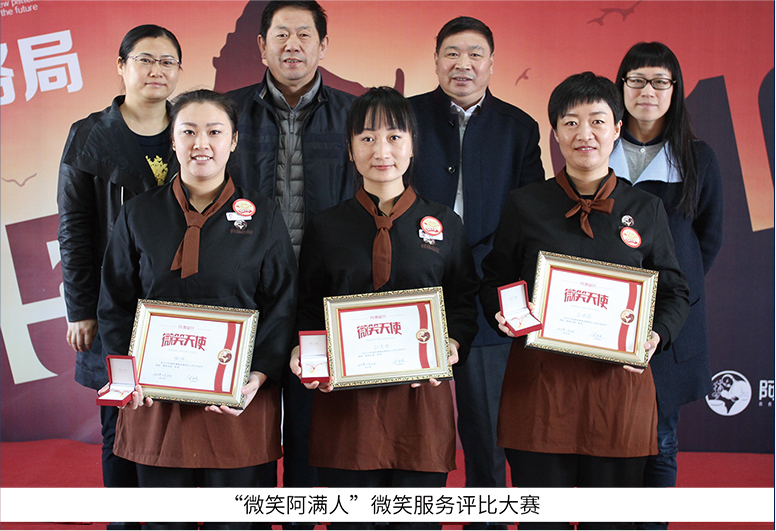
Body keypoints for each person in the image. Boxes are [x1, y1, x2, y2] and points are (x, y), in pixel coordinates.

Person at [480, 72, 690, 530]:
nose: (585, 134)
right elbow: (496, 278)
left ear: (617, 129)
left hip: (616, 395)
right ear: (555, 132)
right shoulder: (525, 204)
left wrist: (655, 336)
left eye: (597, 121)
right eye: (571, 122)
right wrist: (506, 314)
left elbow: (674, 291)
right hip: (540, 392)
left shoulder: (646, 208)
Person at [97, 89, 297, 530]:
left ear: (234, 140)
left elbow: (282, 304)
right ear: (172, 140)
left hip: (237, 403)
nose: (200, 143)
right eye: (188, 131)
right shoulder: (138, 214)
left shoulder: (263, 215)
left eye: (214, 132)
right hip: (157, 404)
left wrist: (258, 376)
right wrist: (129, 375)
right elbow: (115, 304)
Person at [290, 87, 479, 530]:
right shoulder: (326, 226)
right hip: (346, 408)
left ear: (412, 146)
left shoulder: (445, 224)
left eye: (394, 137)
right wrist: (305, 353)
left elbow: (463, 301)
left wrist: (453, 344)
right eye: (368, 138)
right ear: (350, 149)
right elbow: (308, 309)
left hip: (420, 404)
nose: (382, 151)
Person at [408, 16, 544, 502]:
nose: (462, 64)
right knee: (411, 427)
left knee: (487, 430)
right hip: (412, 289)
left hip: (488, 293)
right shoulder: (406, 118)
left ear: (491, 62)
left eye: (474, 54)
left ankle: (487, 516)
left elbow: (532, 218)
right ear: (436, 59)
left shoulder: (518, 128)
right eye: (451, 53)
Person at [225, 1, 356, 493]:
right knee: (245, 432)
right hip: (248, 298)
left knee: (312, 432)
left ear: (324, 45)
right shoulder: (227, 113)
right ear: (262, 46)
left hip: (323, 298)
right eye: (281, 34)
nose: (292, 45)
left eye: (304, 34)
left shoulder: (353, 115)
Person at [56, 24, 182, 513]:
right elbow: (74, 229)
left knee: (176, 421)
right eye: (144, 59)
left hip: (182, 305)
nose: (156, 70)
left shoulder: (190, 128)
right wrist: (80, 309)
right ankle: (125, 521)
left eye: (167, 61)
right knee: (120, 422)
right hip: (115, 305)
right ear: (121, 67)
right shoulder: (90, 136)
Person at [610, 42, 723, 527]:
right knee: (606, 434)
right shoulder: (599, 147)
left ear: (675, 90)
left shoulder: (697, 158)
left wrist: (673, 296)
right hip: (604, 314)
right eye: (636, 80)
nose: (647, 91)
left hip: (669, 321)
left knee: (661, 437)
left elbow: (707, 240)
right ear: (620, 87)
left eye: (660, 81)